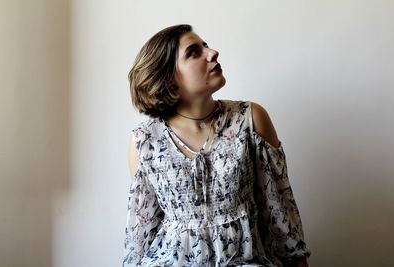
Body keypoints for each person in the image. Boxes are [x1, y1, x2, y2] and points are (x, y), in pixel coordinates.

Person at [123, 24, 311, 267]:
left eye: (206, 46)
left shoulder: (250, 119)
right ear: (168, 77)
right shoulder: (144, 141)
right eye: (194, 52)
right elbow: (141, 231)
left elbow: (280, 214)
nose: (212, 53)